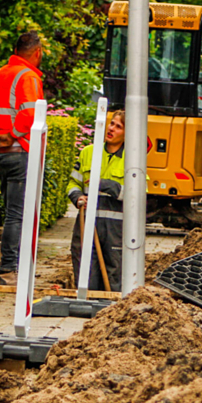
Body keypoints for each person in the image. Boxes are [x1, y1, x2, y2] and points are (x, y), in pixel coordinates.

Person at [0, 32, 45, 283]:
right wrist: (11, 135)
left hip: (0, 156)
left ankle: (13, 265)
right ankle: (10, 269)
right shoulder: (28, 77)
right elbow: (30, 116)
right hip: (20, 152)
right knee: (18, 213)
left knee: (11, 211)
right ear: (37, 52)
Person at [67, 110, 126, 291]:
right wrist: (77, 197)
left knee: (113, 277)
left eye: (118, 126)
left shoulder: (132, 159)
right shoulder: (88, 153)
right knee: (85, 272)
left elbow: (138, 195)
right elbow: (72, 183)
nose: (111, 129)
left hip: (115, 229)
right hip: (86, 223)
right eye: (111, 124)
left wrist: (105, 184)